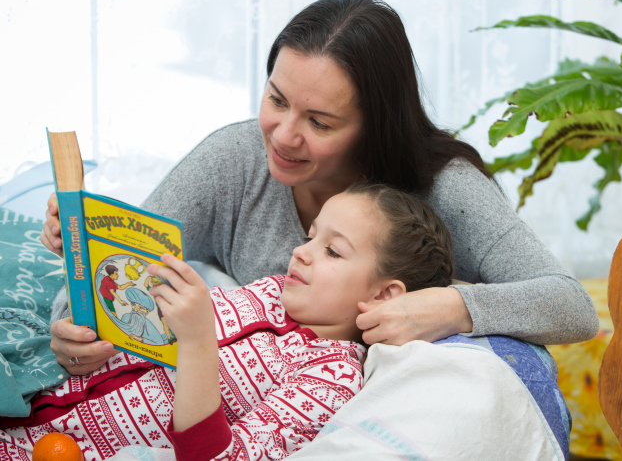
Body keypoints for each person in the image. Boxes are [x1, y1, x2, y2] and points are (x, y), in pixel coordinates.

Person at [41, 0, 599, 377]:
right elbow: (113, 267)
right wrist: (74, 325)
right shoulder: (234, 160)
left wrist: (451, 306)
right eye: (276, 99)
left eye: (320, 123)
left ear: (374, 126)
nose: (283, 136)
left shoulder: (446, 188)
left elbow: (571, 305)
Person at [2, 183, 455, 461]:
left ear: (383, 296)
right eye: (310, 236)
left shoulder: (330, 378)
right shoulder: (269, 290)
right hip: (31, 392)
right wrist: (85, 256)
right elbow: (140, 317)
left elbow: (223, 457)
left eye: (333, 251)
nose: (301, 252)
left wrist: (198, 342)